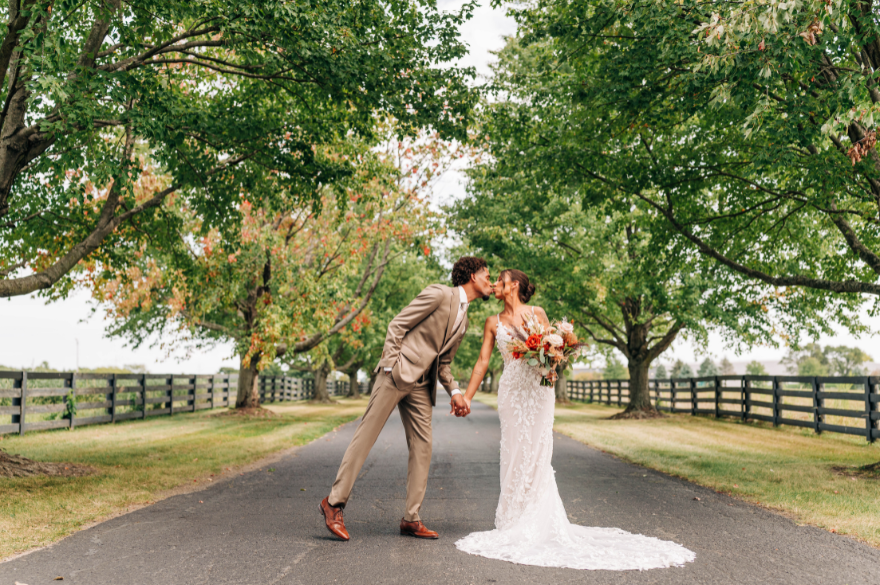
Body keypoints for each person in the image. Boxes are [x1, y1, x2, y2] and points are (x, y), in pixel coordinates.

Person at [454, 269, 696, 570]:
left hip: (540, 392)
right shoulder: (492, 322)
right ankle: (512, 517)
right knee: (514, 452)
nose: (494, 285)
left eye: (499, 280)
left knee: (539, 452)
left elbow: (554, 351)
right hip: (512, 392)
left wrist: (551, 361)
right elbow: (482, 362)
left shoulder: (537, 313)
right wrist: (466, 397)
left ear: (513, 285)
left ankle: (538, 516)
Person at [319, 256, 494, 540]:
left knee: (423, 447)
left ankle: (411, 519)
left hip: (422, 386)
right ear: (473, 275)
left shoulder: (464, 320)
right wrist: (390, 366)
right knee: (366, 436)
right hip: (396, 374)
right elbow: (397, 324)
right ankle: (333, 503)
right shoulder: (439, 294)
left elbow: (444, 363)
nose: (491, 281)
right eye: (488, 275)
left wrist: (456, 391)